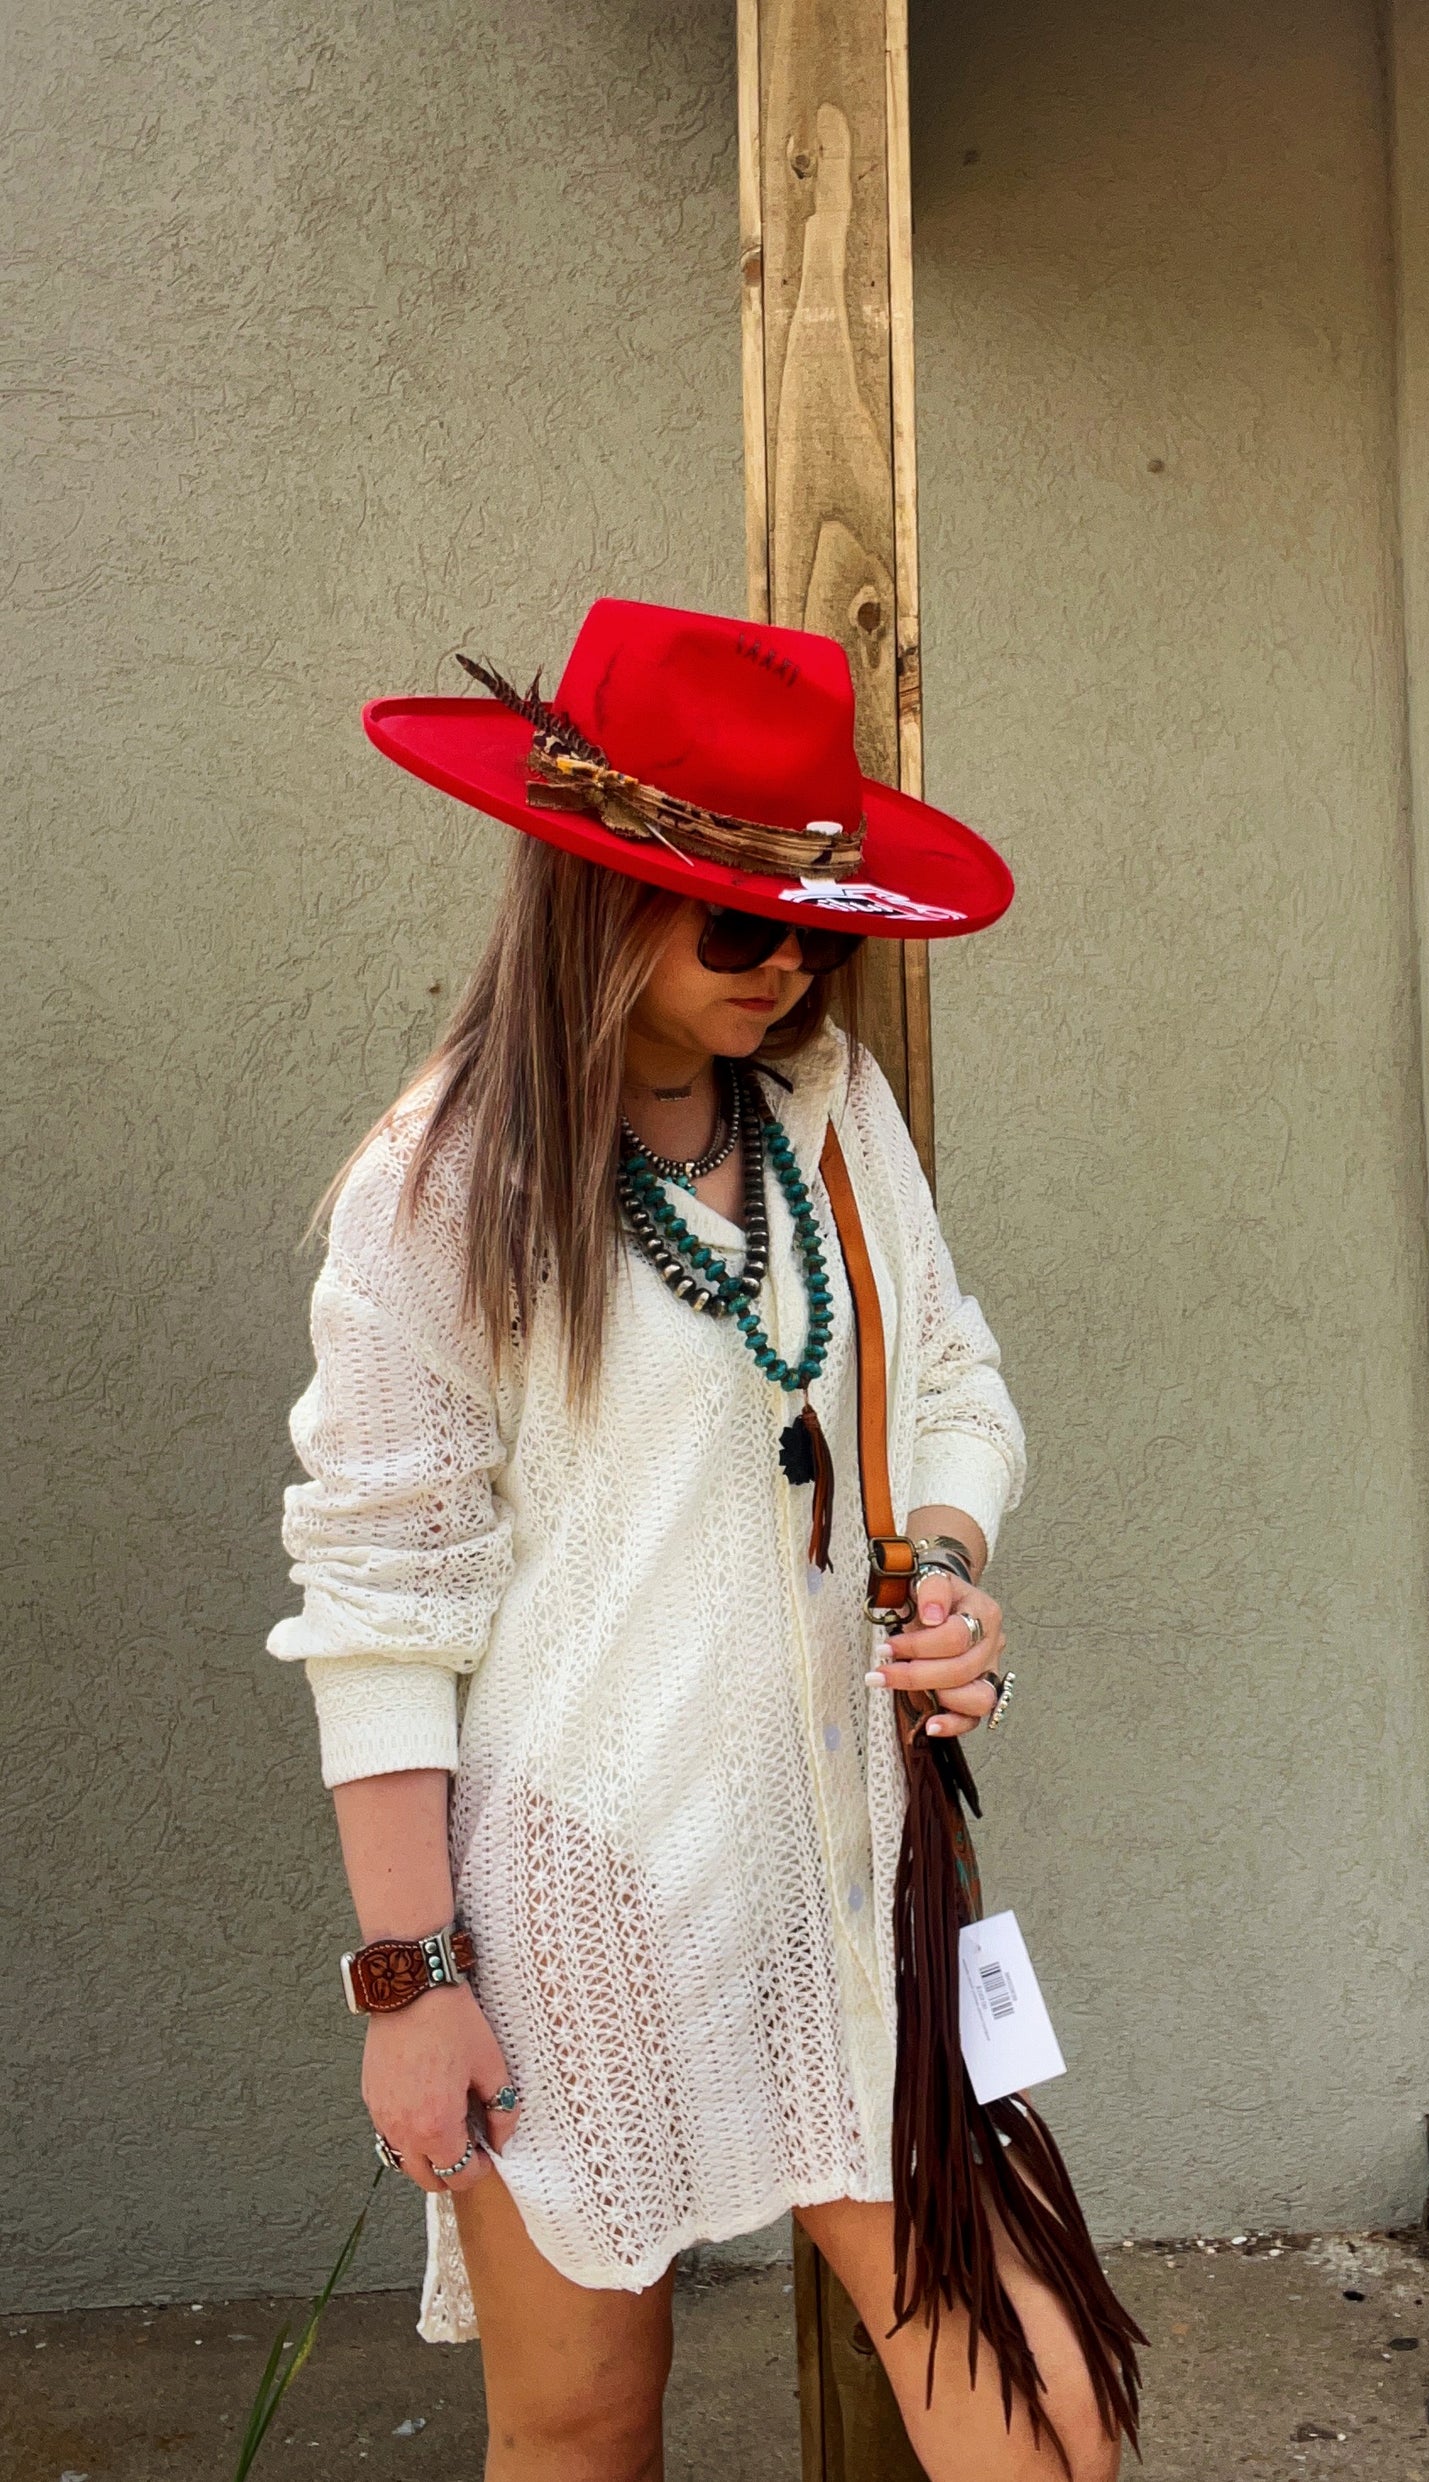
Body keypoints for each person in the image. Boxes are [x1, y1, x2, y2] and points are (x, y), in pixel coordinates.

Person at [268, 600, 1123, 2481]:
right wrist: (407, 1983)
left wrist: (946, 1556)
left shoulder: (823, 1108)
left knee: (1048, 2410)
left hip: (840, 1882)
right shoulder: (444, 1186)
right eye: (742, 923)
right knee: (580, 2428)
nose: (787, 973)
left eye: (819, 929)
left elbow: (948, 1373)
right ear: (595, 889)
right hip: (580, 1907)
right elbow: (382, 1597)